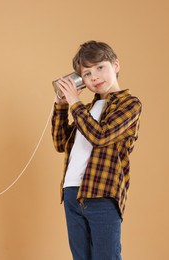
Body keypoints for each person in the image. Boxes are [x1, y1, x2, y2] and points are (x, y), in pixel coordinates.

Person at [52, 40, 142, 259]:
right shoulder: (87, 109)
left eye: (100, 68)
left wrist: (75, 104)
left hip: (101, 193)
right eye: (87, 74)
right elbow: (61, 143)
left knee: (106, 256)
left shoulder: (130, 104)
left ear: (116, 65)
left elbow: (100, 136)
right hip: (72, 191)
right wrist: (62, 106)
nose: (95, 77)